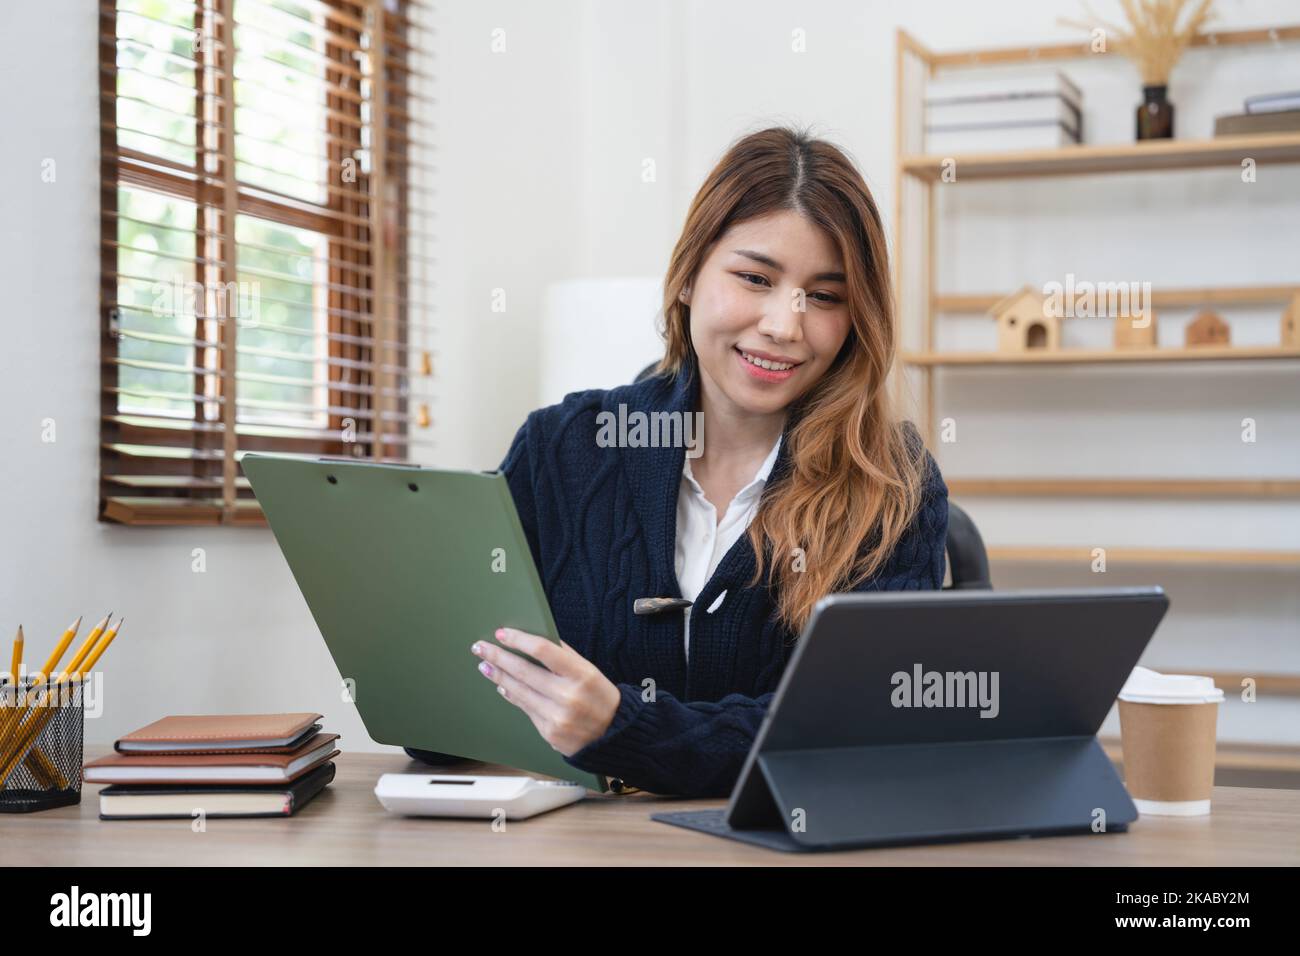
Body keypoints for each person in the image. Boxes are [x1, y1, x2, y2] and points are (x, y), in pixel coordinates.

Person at [467, 125, 948, 797]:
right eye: (755, 278)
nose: (785, 324)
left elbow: (861, 726)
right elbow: (449, 695)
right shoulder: (561, 447)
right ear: (690, 274)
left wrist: (626, 728)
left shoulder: (893, 484)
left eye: (827, 296)